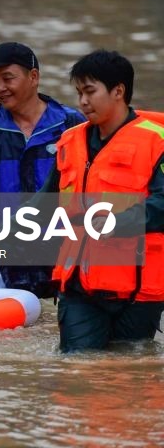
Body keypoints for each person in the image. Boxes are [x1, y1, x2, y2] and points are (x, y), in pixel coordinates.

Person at [42, 49, 164, 352]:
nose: (82, 101)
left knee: (127, 374)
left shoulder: (157, 141)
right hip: (79, 288)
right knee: (77, 368)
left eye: (90, 91)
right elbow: (44, 201)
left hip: (139, 293)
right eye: (79, 92)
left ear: (118, 91)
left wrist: (117, 223)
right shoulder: (70, 142)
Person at [0, 42, 85, 298]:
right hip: (13, 256)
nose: (0, 89)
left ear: (34, 77)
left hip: (66, 251)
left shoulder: (72, 125)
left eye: (7, 79)